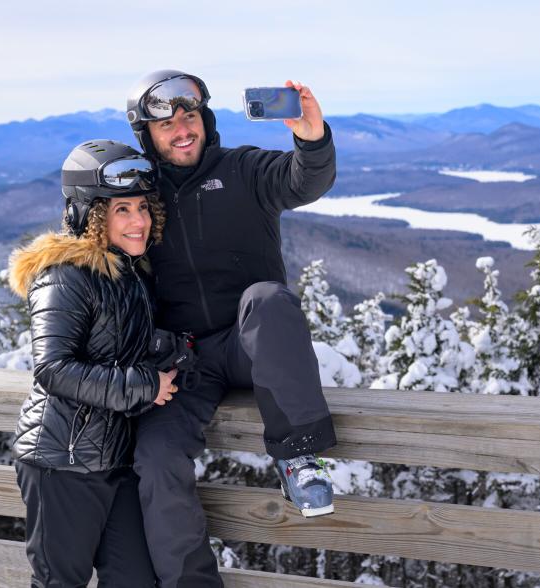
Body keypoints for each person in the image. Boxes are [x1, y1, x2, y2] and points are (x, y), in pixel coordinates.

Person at [125, 70, 339, 587]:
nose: (182, 129)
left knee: (268, 299)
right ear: (146, 136)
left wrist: (311, 135)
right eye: (167, 124)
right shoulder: (140, 196)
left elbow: (304, 179)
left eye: (190, 116)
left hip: (250, 345)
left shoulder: (242, 169)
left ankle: (299, 459)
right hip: (183, 363)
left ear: (206, 120)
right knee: (154, 461)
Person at [8, 139, 176, 587]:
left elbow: (119, 343)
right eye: (122, 210)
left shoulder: (130, 271)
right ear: (91, 214)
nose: (139, 221)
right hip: (61, 462)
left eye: (142, 207)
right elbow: (53, 368)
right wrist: (144, 385)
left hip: (114, 461)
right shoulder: (66, 275)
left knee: (135, 579)